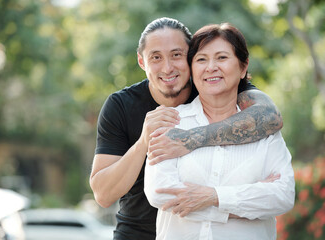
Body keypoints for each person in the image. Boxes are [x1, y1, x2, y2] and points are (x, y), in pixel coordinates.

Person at [90, 17, 283, 240]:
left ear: (190, 57)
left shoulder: (218, 87)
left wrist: (190, 139)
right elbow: (103, 195)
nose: (167, 67)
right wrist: (144, 141)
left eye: (176, 55)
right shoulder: (120, 106)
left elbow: (271, 117)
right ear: (142, 62)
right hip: (135, 234)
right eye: (156, 57)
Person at [144, 22, 295, 240]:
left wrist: (215, 197)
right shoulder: (171, 122)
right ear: (192, 69)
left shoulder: (264, 129)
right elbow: (160, 194)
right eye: (201, 59)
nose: (211, 67)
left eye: (222, 58)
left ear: (243, 67)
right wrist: (248, 206)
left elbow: (283, 195)